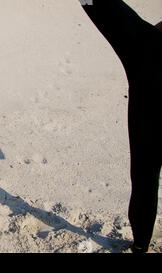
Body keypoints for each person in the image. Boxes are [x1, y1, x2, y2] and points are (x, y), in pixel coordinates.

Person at [80, 0, 162, 253]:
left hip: (147, 129)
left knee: (144, 180)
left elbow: (93, 2)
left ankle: (139, 246)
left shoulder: (143, 42)